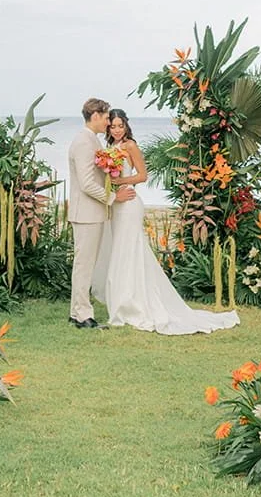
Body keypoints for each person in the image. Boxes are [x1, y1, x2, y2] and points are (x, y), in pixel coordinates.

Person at [91, 108, 240, 335]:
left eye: (120, 125)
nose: (117, 129)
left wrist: (121, 180)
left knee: (129, 251)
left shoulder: (130, 145)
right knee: (118, 251)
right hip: (116, 205)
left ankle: (132, 303)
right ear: (108, 127)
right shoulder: (108, 149)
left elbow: (142, 175)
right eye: (113, 126)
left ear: (126, 126)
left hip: (129, 203)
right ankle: (122, 300)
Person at [68, 98, 137, 329]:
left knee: (84, 264)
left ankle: (75, 311)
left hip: (92, 213)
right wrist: (112, 198)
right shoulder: (84, 142)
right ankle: (83, 316)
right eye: (107, 117)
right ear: (95, 116)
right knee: (84, 265)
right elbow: (87, 183)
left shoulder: (91, 141)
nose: (108, 122)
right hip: (86, 214)